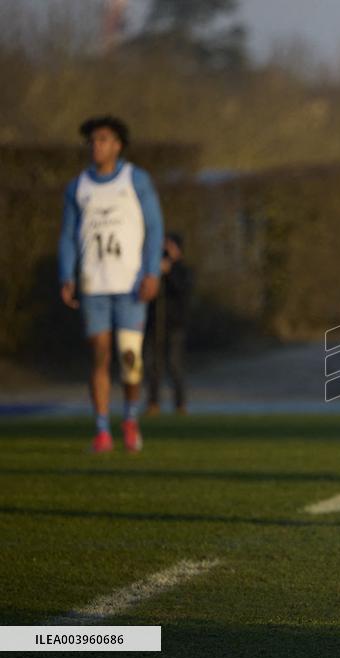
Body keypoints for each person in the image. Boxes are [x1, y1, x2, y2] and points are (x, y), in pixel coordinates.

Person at [58, 115, 164, 453]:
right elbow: (68, 236)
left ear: (118, 144)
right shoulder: (78, 187)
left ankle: (130, 419)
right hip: (94, 285)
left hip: (131, 285)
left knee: (130, 357)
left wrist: (152, 273)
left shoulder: (136, 180)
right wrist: (66, 275)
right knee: (100, 356)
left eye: (103, 139)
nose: (96, 145)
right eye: (91, 140)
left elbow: (154, 229)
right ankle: (102, 429)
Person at [144, 232, 192, 416]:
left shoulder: (183, 271)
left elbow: (182, 291)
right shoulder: (152, 270)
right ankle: (153, 402)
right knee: (153, 366)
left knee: (175, 365)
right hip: (154, 324)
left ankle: (180, 404)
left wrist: (169, 272)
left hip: (174, 325)